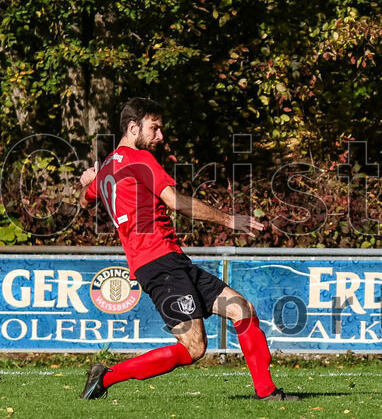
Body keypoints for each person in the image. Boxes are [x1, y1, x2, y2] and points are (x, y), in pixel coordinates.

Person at [78, 97, 296, 401]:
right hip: (159, 265)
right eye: (154, 128)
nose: (160, 136)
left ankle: (268, 392)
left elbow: (84, 200)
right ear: (133, 127)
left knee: (242, 309)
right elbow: (176, 202)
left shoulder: (107, 170)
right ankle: (107, 376)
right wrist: (228, 220)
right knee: (194, 348)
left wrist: (88, 180)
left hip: (171, 261)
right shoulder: (139, 159)